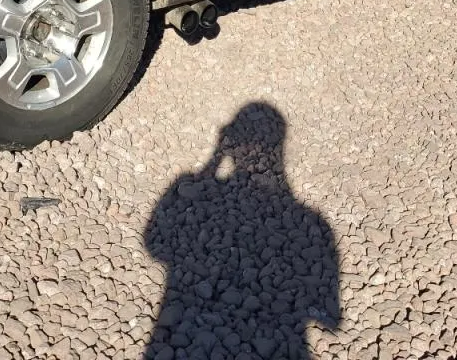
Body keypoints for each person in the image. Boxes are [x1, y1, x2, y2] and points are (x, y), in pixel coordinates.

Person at [144, 102, 340, 359]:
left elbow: (154, 243)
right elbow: (330, 319)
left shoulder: (313, 223)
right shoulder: (314, 222)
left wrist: (212, 163)